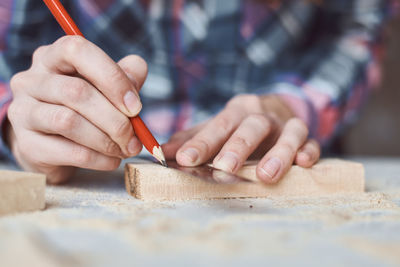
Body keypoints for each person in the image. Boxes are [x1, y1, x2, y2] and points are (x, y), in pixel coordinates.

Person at [0, 0, 391, 184]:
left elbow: (359, 23)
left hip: (290, 170)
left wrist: (292, 107)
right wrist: (21, 123)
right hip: (95, 183)